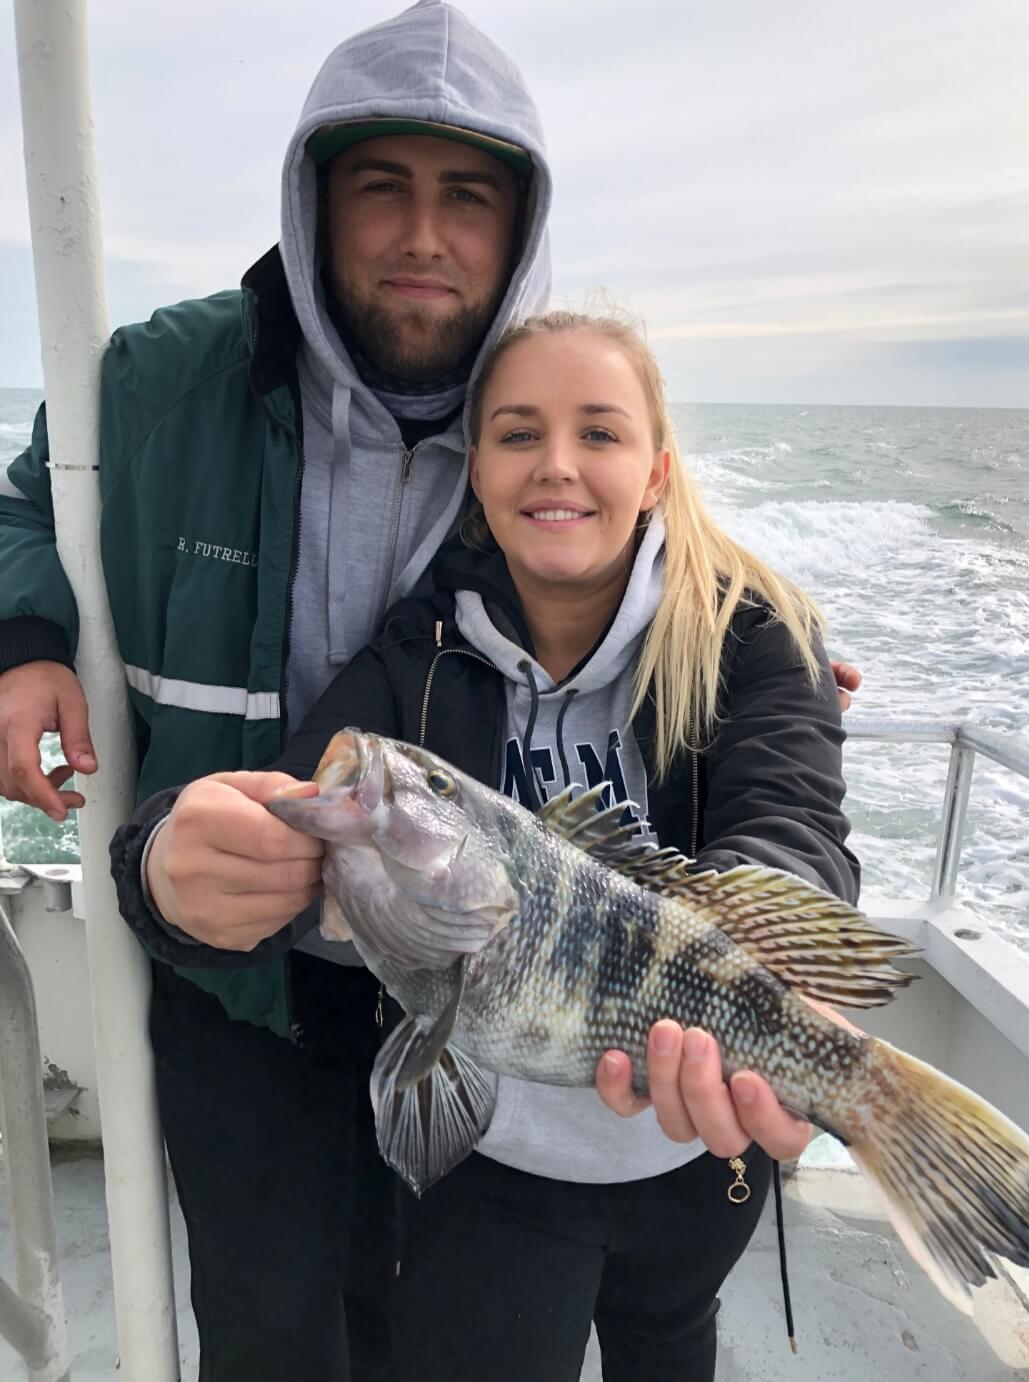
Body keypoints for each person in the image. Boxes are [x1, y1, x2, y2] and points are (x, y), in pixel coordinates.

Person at [0, 3, 859, 1376]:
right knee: (269, 1323)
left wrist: (785, 656)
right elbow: (26, 500)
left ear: (521, 231)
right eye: (378, 185)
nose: (420, 234)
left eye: (468, 195)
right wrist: (24, 635)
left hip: (474, 991)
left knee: (421, 1321)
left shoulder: (548, 445)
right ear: (310, 199)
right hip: (251, 987)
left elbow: (710, 638)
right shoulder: (164, 382)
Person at [112, 309, 860, 1382]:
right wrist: (161, 865)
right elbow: (271, 800)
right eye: (517, 433)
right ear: (478, 473)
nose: (558, 463)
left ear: (655, 472)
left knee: (672, 1344)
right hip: (496, 1169)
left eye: (598, 433)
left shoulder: (759, 634)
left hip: (704, 1153)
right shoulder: (412, 658)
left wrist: (774, 958)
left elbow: (790, 813)